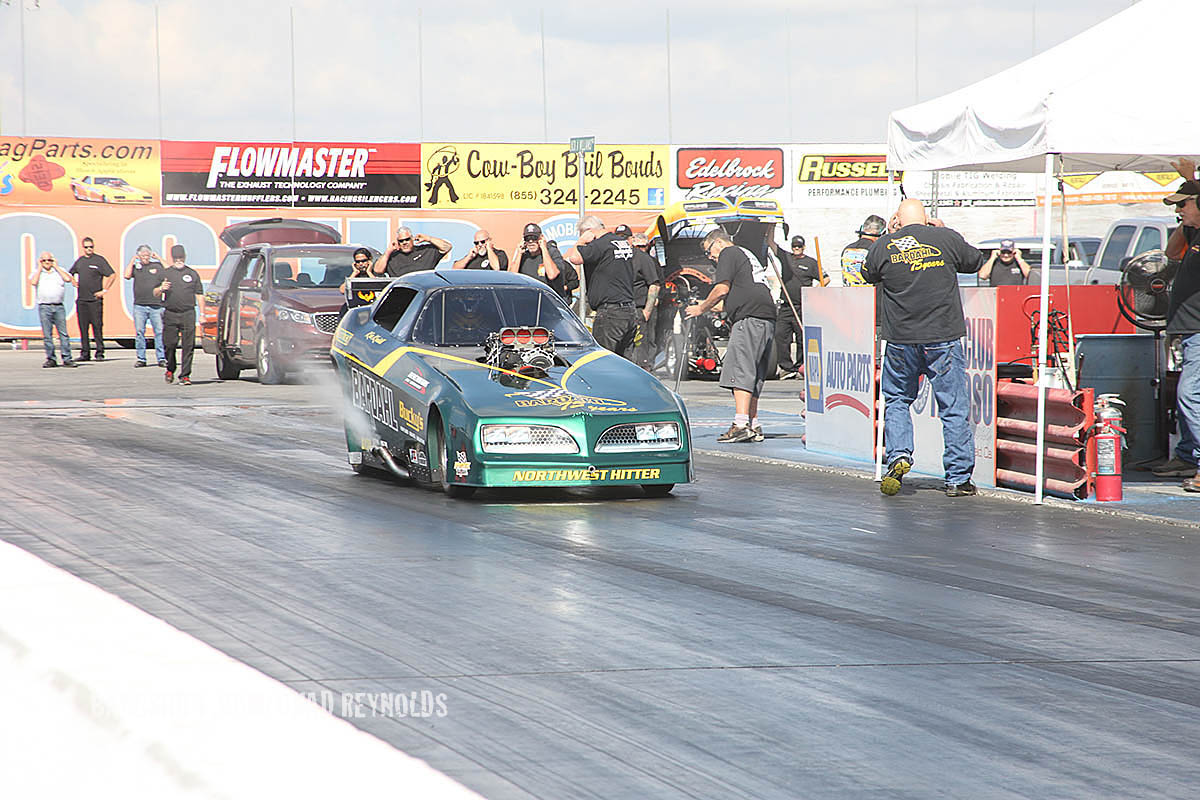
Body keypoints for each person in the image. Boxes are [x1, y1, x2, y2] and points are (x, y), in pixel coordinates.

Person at [862, 199, 983, 497]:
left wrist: (890, 235)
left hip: (901, 340)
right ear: (927, 218)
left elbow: (867, 274)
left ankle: (899, 455)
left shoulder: (884, 245)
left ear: (897, 219)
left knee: (897, 400)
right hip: (942, 337)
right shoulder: (945, 238)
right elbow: (975, 261)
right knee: (952, 408)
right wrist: (944, 230)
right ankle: (957, 479)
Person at [685, 230, 777, 443]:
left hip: (749, 318)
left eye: (709, 251)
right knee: (754, 372)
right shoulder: (746, 254)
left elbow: (721, 289)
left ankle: (741, 424)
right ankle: (753, 423)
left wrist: (700, 308)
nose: (710, 257)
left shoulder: (729, 252)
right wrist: (706, 306)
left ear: (718, 242)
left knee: (741, 368)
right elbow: (732, 299)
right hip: (765, 316)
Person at [1152, 161, 1200, 492]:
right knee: (1185, 395)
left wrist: (1191, 179)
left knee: (1189, 395)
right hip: (1189, 331)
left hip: (1198, 332)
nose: (1179, 210)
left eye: (1184, 205)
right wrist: (1186, 219)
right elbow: (1171, 252)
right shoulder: (1193, 233)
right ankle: (1186, 455)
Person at [567, 217, 639, 357]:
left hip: (610, 313)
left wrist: (581, 241)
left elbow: (574, 258)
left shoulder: (600, 244)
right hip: (629, 310)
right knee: (625, 361)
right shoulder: (621, 242)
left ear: (589, 231)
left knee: (603, 360)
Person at [773, 235, 821, 379]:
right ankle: (787, 368)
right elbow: (772, 245)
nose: (796, 249)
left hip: (802, 306)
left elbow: (825, 278)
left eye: (799, 246)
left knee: (802, 338)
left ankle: (801, 367)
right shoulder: (787, 258)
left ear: (803, 247)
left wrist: (813, 293)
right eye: (794, 246)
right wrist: (769, 229)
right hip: (786, 306)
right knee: (780, 335)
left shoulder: (811, 263)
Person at [157, 244, 203, 386]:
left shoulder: (192, 274)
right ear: (172, 258)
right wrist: (161, 288)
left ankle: (185, 375)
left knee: (188, 345)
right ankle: (170, 368)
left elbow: (199, 294)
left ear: (185, 257)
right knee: (169, 344)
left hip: (188, 313)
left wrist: (203, 314)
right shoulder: (166, 273)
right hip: (171, 313)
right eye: (176, 258)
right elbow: (155, 292)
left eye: (181, 257)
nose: (179, 260)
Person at [68, 236, 115, 361]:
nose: (89, 249)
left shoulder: (99, 260)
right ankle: (85, 353)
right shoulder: (80, 261)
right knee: (83, 328)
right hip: (82, 300)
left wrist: (104, 290)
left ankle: (99, 352)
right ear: (83, 248)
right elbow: (70, 273)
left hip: (95, 300)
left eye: (91, 247)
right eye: (86, 247)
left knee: (97, 326)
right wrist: (73, 281)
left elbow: (112, 275)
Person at [30, 252, 77, 368]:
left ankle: (67, 358)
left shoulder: (59, 271)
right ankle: (51, 359)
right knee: (47, 335)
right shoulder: (37, 272)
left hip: (58, 306)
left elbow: (68, 279)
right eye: (44, 260)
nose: (47, 262)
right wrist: (39, 268)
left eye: (49, 260)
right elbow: (33, 282)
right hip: (44, 307)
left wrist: (56, 266)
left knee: (63, 334)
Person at [510, 222, 577, 301]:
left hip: (550, 301)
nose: (531, 241)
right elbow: (511, 278)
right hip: (529, 299)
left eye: (534, 238)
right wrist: (519, 253)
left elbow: (552, 275)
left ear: (540, 238)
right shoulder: (523, 256)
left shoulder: (552, 253)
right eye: (527, 238)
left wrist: (544, 248)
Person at [125, 245, 166, 367]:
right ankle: (141, 358)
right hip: (140, 306)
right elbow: (126, 275)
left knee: (159, 332)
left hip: (156, 305)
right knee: (139, 332)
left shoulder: (157, 266)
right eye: (143, 255)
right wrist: (133, 260)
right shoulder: (136, 267)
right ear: (139, 255)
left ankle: (161, 358)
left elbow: (169, 270)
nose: (145, 257)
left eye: (147, 255)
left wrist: (159, 258)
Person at [629, 232, 662, 369]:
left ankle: (648, 365)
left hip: (646, 304)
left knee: (649, 337)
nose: (641, 249)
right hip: (632, 304)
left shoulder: (651, 261)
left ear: (648, 246)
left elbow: (658, 282)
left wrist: (653, 302)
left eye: (643, 246)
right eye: (638, 246)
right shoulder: (629, 260)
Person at [373, 227, 451, 277]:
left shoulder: (425, 251)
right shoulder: (392, 256)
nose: (404, 243)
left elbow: (447, 247)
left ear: (412, 239)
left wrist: (429, 238)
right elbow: (378, 270)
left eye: (407, 239)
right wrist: (388, 252)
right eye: (401, 241)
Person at [840, 215, 886, 286]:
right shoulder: (877, 251)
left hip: (849, 292)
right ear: (883, 233)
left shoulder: (847, 250)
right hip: (871, 292)